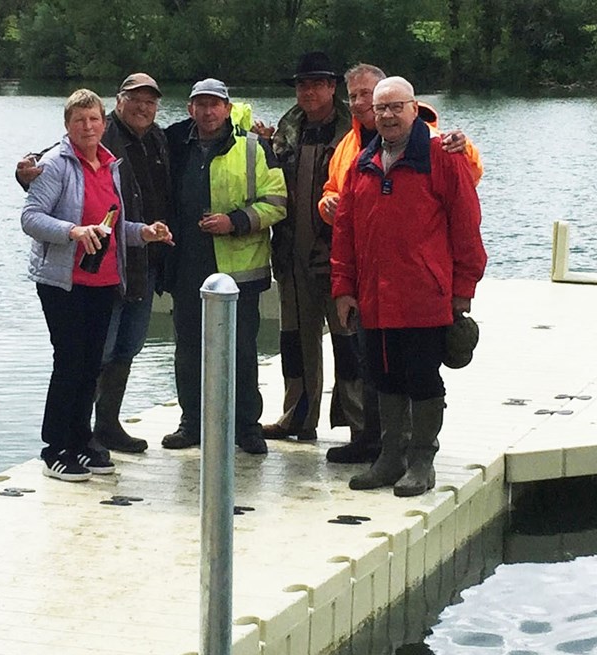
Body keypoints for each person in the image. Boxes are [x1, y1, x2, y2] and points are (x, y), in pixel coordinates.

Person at [320, 63, 483, 466]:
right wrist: (343, 289)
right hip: (375, 299)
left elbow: (467, 227)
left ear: (414, 108)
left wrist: (463, 289)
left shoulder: (442, 155)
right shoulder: (362, 162)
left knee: (423, 379)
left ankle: (422, 461)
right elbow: (345, 233)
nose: (388, 116)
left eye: (396, 107)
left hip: (425, 296)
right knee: (383, 377)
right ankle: (390, 459)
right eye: (381, 109)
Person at [16, 74, 173, 456]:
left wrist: (145, 232)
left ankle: (87, 437)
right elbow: (30, 216)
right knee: (72, 362)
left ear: (103, 123)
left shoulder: (112, 163)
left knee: (94, 363)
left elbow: (115, 224)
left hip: (109, 277)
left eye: (93, 120)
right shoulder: (57, 163)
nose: (88, 127)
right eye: (79, 120)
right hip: (65, 280)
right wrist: (72, 231)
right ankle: (58, 446)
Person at [161, 78, 286, 455]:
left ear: (228, 109)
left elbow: (277, 203)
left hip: (240, 269)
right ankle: (192, 423)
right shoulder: (175, 143)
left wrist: (235, 221)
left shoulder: (254, 147)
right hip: (187, 265)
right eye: (200, 104)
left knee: (242, 351)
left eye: (214, 104)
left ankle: (247, 426)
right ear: (190, 109)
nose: (208, 111)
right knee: (188, 349)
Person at [253, 50, 350, 444]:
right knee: (294, 340)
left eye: (317, 84)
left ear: (332, 87)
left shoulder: (354, 130)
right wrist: (262, 145)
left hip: (338, 257)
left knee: (349, 343)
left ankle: (361, 426)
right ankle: (297, 417)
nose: (308, 92)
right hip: (291, 255)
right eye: (302, 85)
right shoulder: (287, 127)